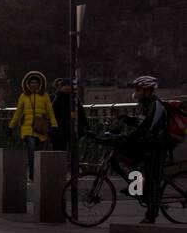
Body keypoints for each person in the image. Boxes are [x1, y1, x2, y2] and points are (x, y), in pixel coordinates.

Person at [103, 76, 173, 223]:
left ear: (148, 90)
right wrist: (127, 119)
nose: (136, 92)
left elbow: (147, 126)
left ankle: (151, 214)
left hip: (157, 145)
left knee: (153, 178)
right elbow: (140, 121)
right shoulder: (143, 104)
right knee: (128, 160)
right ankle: (136, 187)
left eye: (138, 89)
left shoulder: (156, 105)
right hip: (146, 143)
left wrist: (129, 138)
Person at [8, 70, 56, 179]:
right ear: (27, 84)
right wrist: (11, 126)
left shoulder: (45, 96)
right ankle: (32, 172)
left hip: (41, 127)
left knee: (38, 152)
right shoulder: (23, 96)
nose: (34, 84)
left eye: (36, 82)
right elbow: (18, 112)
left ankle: (37, 172)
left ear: (40, 84)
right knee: (31, 147)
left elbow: (50, 111)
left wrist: (54, 125)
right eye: (32, 82)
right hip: (27, 128)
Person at [49, 77, 89, 152]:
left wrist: (86, 126)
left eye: (69, 85)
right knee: (60, 150)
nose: (67, 87)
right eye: (65, 85)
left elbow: (81, 113)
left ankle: (73, 162)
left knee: (74, 149)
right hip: (60, 129)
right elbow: (52, 115)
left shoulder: (75, 99)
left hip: (72, 128)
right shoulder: (57, 99)